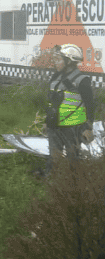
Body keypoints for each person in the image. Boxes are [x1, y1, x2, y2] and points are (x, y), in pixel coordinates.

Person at [46, 44, 95, 174]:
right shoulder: (55, 77)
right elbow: (50, 101)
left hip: (72, 128)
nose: (56, 62)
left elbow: (90, 105)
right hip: (54, 126)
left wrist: (88, 127)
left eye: (59, 59)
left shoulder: (82, 80)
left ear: (69, 62)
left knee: (73, 161)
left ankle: (73, 187)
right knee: (54, 159)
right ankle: (52, 183)